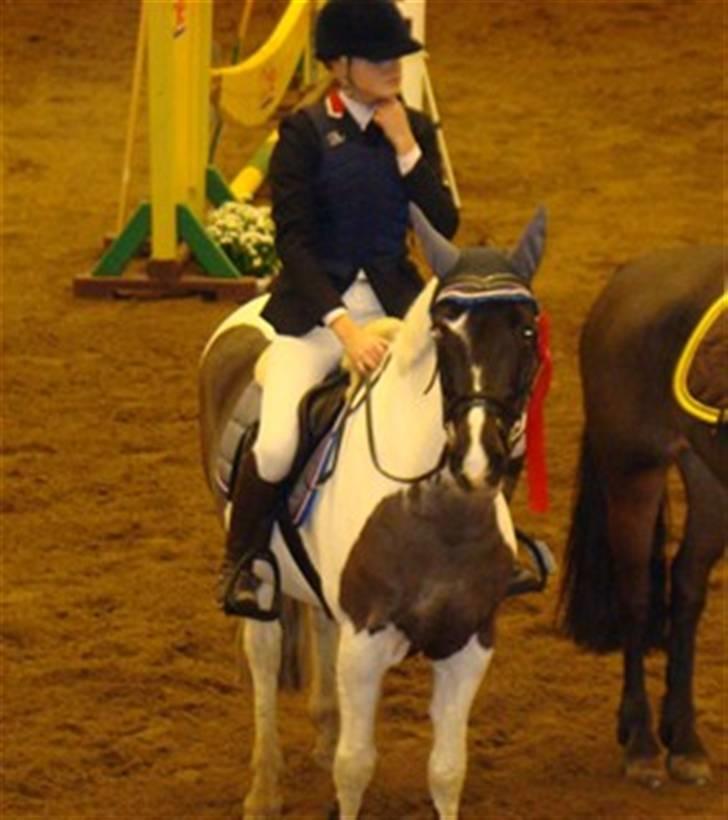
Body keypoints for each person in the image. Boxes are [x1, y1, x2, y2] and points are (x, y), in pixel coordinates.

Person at [218, 0, 459, 617]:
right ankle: (245, 564)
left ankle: (490, 549)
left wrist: (408, 149)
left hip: (399, 309)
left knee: (468, 407)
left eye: (398, 56)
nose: (395, 68)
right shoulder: (301, 135)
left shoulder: (415, 128)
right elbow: (292, 243)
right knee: (274, 445)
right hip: (316, 317)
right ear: (341, 66)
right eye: (380, 59)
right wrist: (345, 329)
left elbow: (446, 228)